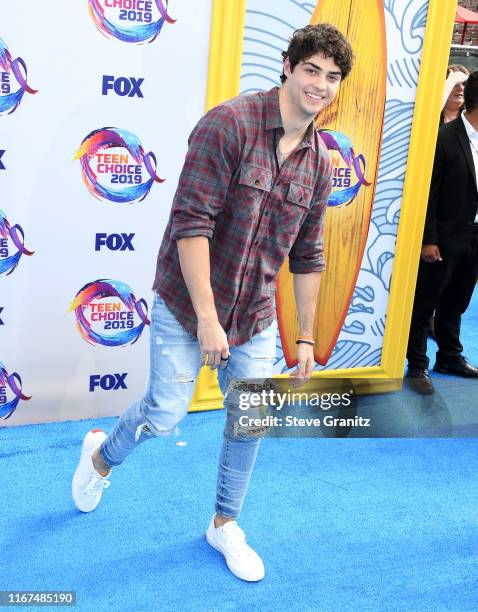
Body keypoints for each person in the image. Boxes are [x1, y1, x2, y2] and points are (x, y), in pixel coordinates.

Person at [71, 24, 354, 581]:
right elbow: (191, 224)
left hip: (254, 315)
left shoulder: (322, 161)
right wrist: (205, 318)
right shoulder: (229, 124)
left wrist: (304, 339)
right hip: (187, 302)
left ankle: (224, 524)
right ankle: (101, 456)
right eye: (312, 70)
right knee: (165, 412)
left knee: (250, 419)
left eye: (332, 76)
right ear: (289, 67)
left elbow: (309, 254)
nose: (320, 85)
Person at [406, 71, 478, 395]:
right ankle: (417, 364)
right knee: (426, 302)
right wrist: (427, 238)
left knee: (457, 301)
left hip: (474, 236)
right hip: (443, 238)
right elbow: (429, 192)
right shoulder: (445, 137)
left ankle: (449, 356)